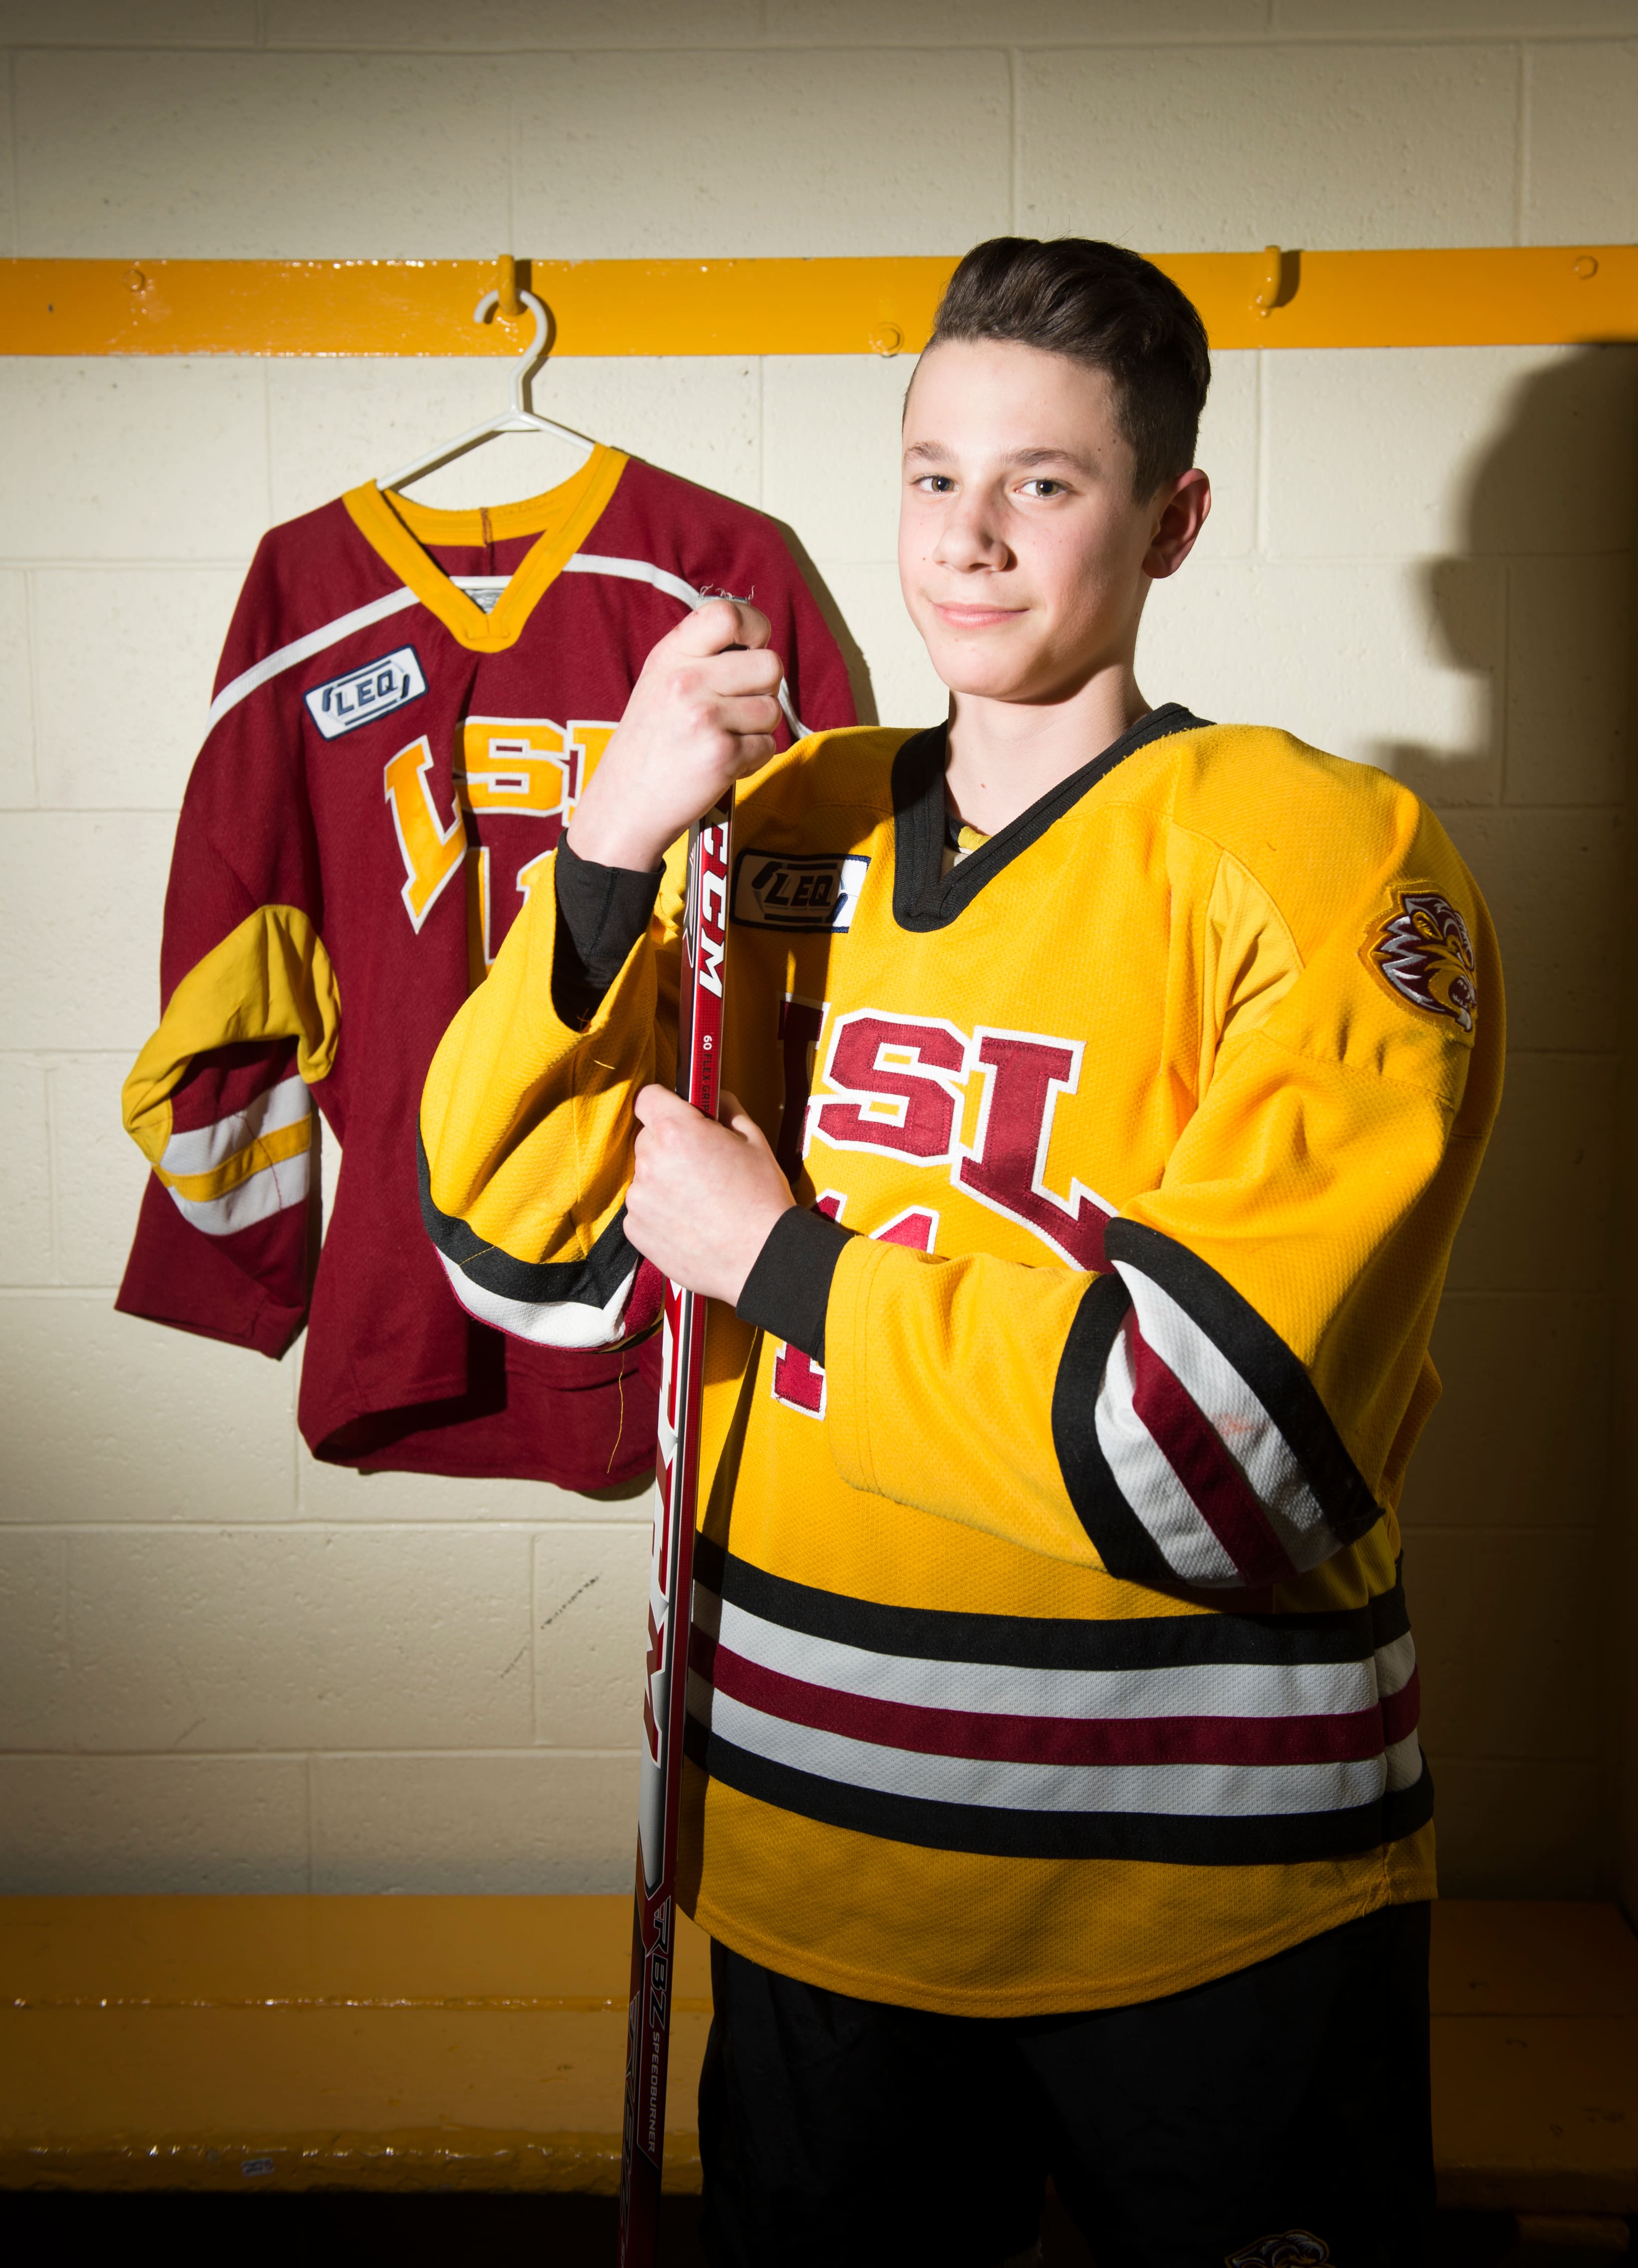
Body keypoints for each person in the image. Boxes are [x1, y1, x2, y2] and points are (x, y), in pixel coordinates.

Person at [419, 238, 1502, 2268]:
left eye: (1046, 482)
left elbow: (1202, 1454)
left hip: (1206, 1889)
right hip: (822, 1878)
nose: (970, 540)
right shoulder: (781, 826)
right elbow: (518, 1251)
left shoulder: (1323, 856)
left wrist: (788, 1261)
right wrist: (608, 849)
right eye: (932, 476)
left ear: (1174, 515)